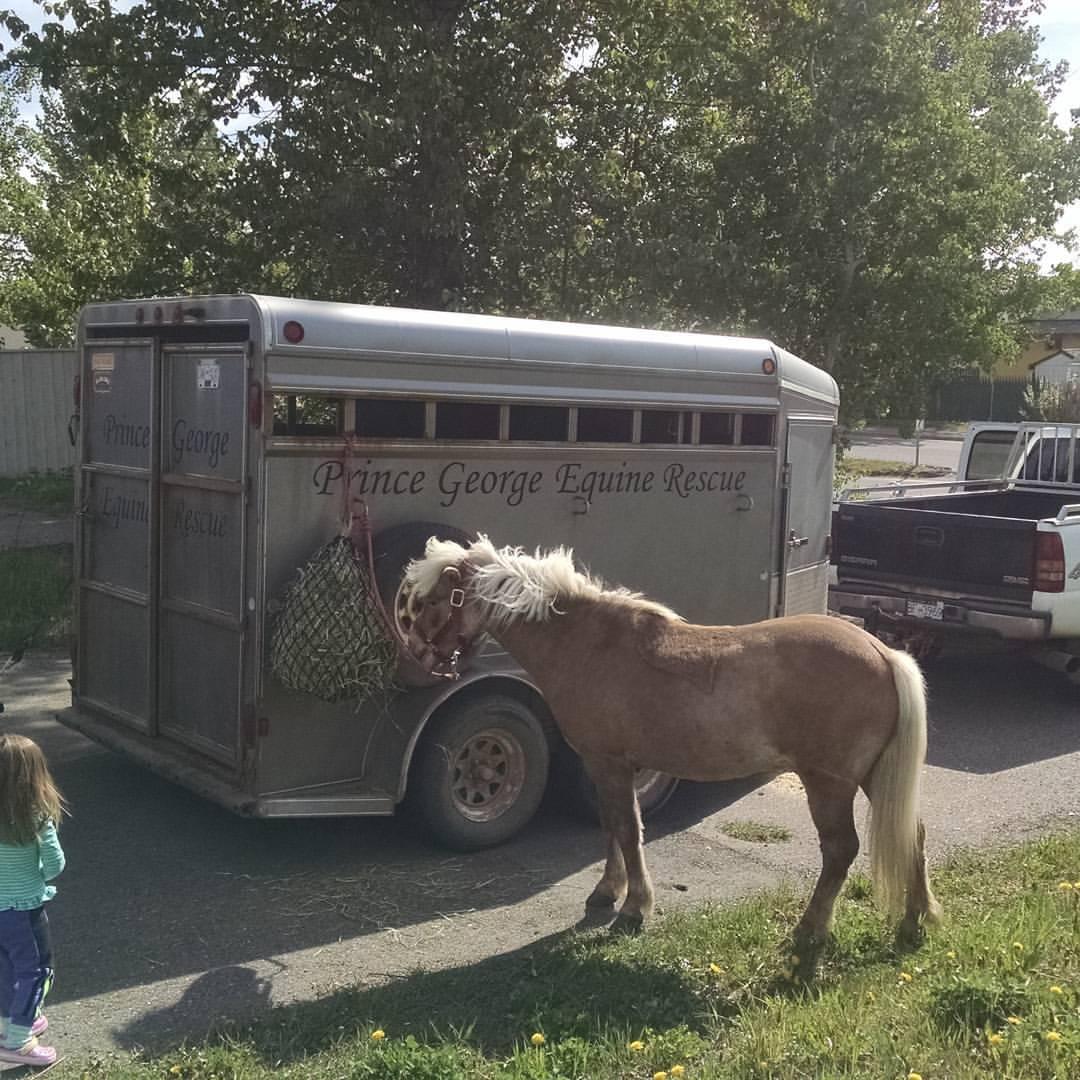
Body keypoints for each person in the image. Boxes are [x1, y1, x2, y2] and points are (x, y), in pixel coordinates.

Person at [0, 734, 64, 1066]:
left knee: (5, 967)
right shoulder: (35, 816)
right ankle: (18, 1042)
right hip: (23, 910)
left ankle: (9, 1022)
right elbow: (54, 867)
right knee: (37, 970)